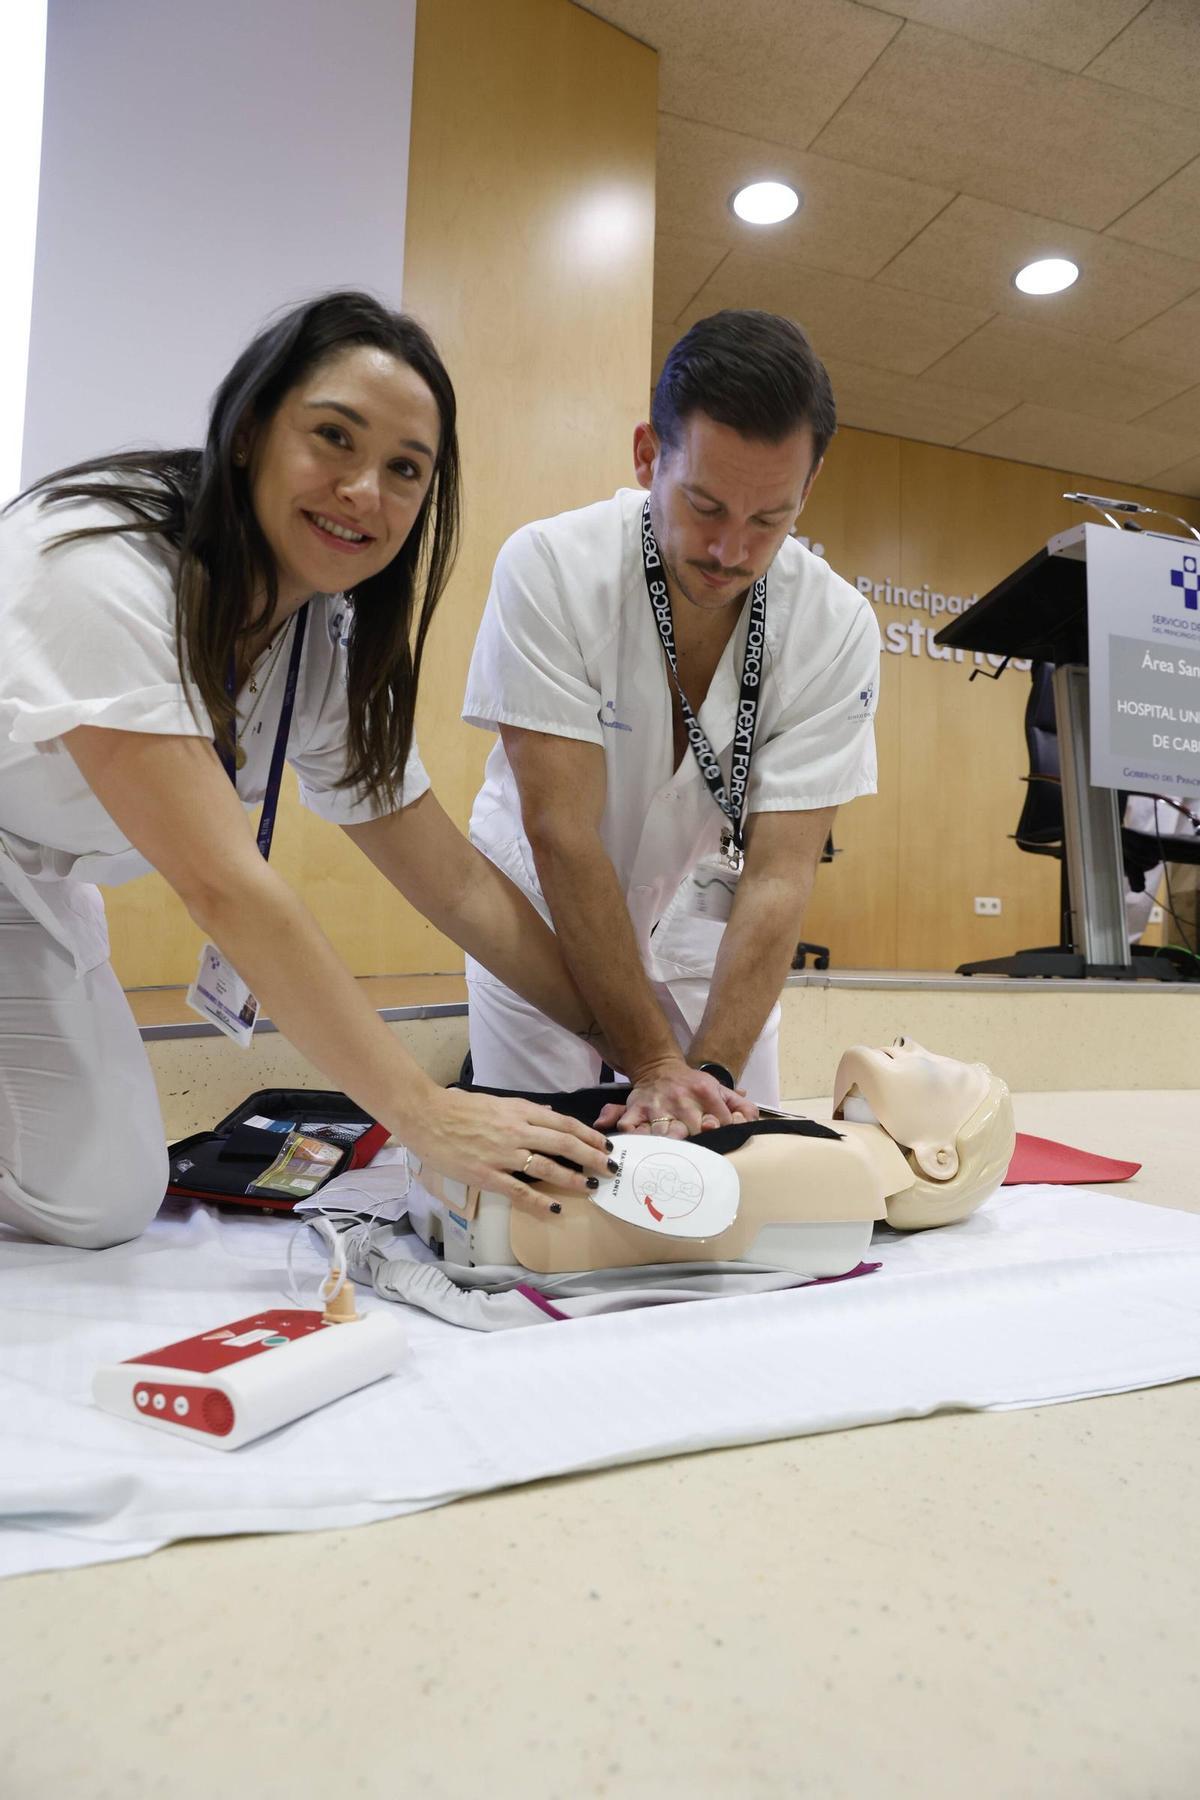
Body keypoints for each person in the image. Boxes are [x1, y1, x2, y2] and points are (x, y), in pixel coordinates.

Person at [0, 291, 614, 1250]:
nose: (365, 490)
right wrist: (423, 1111)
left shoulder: (321, 637)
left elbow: (451, 879)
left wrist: (633, 1044)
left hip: (26, 886)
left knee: (101, 1200)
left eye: (405, 469)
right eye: (334, 437)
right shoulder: (102, 567)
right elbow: (226, 888)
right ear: (249, 432)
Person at [461, 309, 880, 1137]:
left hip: (697, 923)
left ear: (809, 487)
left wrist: (710, 1075)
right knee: (555, 1178)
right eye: (705, 505)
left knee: (734, 1159)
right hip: (542, 910)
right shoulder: (550, 567)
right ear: (649, 455)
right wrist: (653, 1065)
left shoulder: (836, 626)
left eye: (770, 519)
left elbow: (780, 873)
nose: (731, 550)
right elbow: (562, 834)